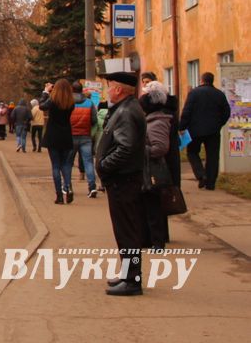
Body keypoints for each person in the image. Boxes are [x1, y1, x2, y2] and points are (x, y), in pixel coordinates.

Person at [96, 71, 147, 296]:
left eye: (110, 87)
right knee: (125, 231)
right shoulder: (125, 108)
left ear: (118, 90)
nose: (108, 91)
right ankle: (128, 275)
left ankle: (133, 280)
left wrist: (105, 165)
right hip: (122, 179)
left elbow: (125, 148)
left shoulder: (126, 112)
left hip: (123, 179)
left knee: (127, 232)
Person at [178, 72, 230, 190]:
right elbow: (226, 112)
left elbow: (187, 111)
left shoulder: (194, 93)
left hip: (195, 130)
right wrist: (219, 124)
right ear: (212, 81)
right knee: (213, 156)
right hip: (213, 131)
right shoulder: (219, 94)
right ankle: (211, 183)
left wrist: (181, 127)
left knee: (192, 152)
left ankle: (201, 175)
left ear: (201, 80)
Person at [139, 81, 172, 250]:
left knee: (153, 207)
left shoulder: (157, 122)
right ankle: (148, 239)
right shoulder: (152, 120)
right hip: (148, 168)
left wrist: (139, 148)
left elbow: (160, 148)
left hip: (153, 170)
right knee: (147, 206)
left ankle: (157, 242)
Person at [40, 80, 75, 204]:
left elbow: (41, 106)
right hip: (66, 135)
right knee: (66, 165)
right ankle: (68, 187)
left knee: (56, 165)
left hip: (53, 136)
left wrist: (45, 91)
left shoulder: (53, 101)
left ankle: (59, 196)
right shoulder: (71, 102)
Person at [71, 81, 99, 197]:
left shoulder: (68, 103)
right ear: (82, 90)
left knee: (68, 162)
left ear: (72, 90)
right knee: (88, 162)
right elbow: (94, 120)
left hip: (71, 136)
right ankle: (92, 187)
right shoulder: (89, 103)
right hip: (85, 136)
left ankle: (67, 187)